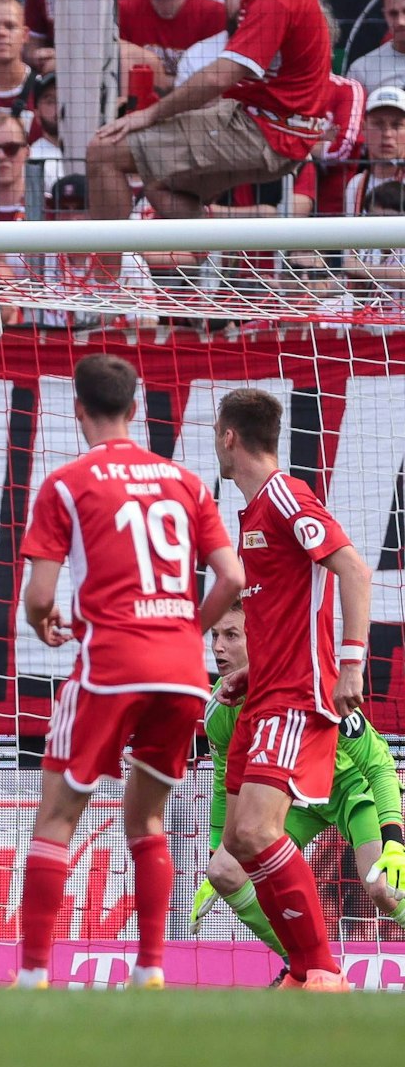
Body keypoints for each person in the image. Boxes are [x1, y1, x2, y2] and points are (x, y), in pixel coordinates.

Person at [13, 356, 246, 990]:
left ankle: (32, 975)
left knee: (57, 817)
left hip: (111, 667)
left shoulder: (67, 483)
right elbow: (232, 576)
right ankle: (150, 969)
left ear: (78, 409)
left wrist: (42, 621)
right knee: (146, 818)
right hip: (181, 674)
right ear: (136, 408)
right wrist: (186, 629)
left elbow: (39, 596)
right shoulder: (186, 483)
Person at [208, 386, 374, 991]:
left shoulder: (284, 494)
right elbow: (287, 616)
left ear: (230, 436)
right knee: (236, 844)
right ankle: (306, 973)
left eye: (216, 433)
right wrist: (250, 673)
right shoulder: (253, 513)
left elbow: (354, 568)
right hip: (265, 692)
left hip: (297, 695)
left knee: (258, 831)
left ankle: (322, 970)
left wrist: (351, 663)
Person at [191, 606, 405, 974]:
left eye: (231, 635)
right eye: (214, 636)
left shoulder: (315, 684)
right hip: (293, 800)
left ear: (259, 640)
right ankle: (304, 969)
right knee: (224, 871)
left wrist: (394, 841)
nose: (218, 647)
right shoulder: (219, 708)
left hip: (350, 791)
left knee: (383, 888)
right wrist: (216, 848)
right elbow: (227, 781)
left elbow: (378, 764)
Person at [88, 0, 330, 221]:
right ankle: (217, 251)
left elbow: (218, 77)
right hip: (273, 126)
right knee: (158, 182)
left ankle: (106, 257)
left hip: (267, 132)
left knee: (103, 151)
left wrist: (148, 115)